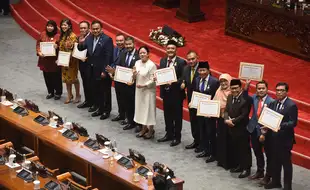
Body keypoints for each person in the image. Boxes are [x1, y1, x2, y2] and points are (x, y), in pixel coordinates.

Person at [264, 82, 298, 190]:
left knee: (286, 164)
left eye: (282, 90)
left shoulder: (291, 105)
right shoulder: (273, 103)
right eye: (277, 90)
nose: (279, 92)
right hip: (273, 138)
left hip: (285, 140)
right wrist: (266, 126)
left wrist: (280, 125)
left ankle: (288, 187)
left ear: (286, 92)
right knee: (275, 161)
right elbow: (269, 118)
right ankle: (276, 182)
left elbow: (293, 122)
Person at [78, 20, 113, 120]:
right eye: (93, 29)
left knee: (105, 91)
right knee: (96, 90)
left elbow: (108, 57)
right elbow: (81, 48)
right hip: (91, 69)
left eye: (97, 29)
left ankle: (106, 111)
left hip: (102, 70)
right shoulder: (89, 38)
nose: (95, 31)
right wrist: (80, 43)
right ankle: (99, 108)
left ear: (101, 29)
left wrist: (104, 71)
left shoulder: (107, 39)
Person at [106, 36, 140, 131]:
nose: (128, 46)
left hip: (134, 84)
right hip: (123, 82)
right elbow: (119, 66)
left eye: (130, 44)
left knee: (134, 103)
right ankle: (130, 121)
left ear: (134, 44)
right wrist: (113, 72)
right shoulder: (123, 53)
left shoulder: (138, 56)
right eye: (127, 44)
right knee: (127, 102)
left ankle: (136, 122)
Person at [157, 40, 186, 147]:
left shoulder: (181, 62)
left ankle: (177, 137)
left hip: (177, 93)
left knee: (177, 116)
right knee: (167, 115)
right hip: (166, 92)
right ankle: (168, 134)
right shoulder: (163, 60)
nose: (170, 50)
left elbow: (183, 77)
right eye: (168, 48)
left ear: (176, 50)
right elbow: (161, 74)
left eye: (172, 48)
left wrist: (174, 81)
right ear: (166, 49)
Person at [245, 80, 274, 184]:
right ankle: (260, 171)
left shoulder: (271, 101)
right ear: (256, 90)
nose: (261, 90)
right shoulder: (254, 97)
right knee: (257, 152)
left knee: (268, 154)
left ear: (267, 89)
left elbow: (271, 120)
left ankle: (268, 176)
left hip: (265, 131)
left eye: (263, 88)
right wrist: (247, 86)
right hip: (253, 129)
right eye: (259, 88)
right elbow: (245, 96)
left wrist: (264, 133)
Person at [191, 61, 219, 162]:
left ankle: (213, 153)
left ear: (208, 70)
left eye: (203, 70)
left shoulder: (214, 81)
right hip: (200, 110)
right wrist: (193, 103)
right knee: (202, 130)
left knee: (210, 131)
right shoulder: (197, 80)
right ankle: (205, 149)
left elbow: (217, 97)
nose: (201, 72)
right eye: (200, 70)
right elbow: (195, 93)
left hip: (210, 111)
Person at [224, 79, 252, 178]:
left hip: (242, 129)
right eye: (232, 88)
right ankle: (240, 165)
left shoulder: (246, 99)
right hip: (231, 128)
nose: (234, 90)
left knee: (244, 149)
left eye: (236, 88)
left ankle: (246, 168)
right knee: (236, 147)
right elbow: (226, 110)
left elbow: (244, 115)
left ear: (240, 88)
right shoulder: (230, 96)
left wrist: (233, 121)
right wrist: (226, 119)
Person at [131, 46, 156, 139]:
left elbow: (153, 79)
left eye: (144, 53)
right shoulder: (137, 63)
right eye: (140, 53)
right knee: (140, 110)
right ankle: (143, 128)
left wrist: (144, 85)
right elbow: (134, 77)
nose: (142, 54)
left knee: (149, 110)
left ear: (148, 54)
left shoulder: (152, 65)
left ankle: (151, 130)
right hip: (139, 90)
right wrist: (133, 74)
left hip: (148, 91)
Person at [36, 20, 62, 100]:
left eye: (51, 26)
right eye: (48, 26)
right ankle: (50, 92)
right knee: (47, 77)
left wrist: (57, 47)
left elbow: (62, 47)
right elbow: (38, 45)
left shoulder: (58, 36)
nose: (49, 28)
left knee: (56, 77)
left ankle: (58, 92)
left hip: (54, 60)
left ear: (54, 27)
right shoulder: (42, 34)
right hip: (45, 60)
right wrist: (39, 52)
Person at [213, 73, 234, 170]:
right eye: (221, 81)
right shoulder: (218, 90)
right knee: (221, 139)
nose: (223, 83)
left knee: (228, 141)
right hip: (220, 119)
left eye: (225, 81)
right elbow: (214, 102)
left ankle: (229, 163)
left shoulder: (232, 92)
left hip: (229, 120)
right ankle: (221, 160)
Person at [58, 19, 81, 104]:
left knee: (74, 78)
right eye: (62, 25)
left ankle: (78, 95)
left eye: (65, 25)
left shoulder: (72, 36)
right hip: (64, 61)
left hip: (72, 62)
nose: (63, 26)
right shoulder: (63, 35)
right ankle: (69, 95)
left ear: (69, 26)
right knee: (66, 79)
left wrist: (67, 58)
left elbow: (74, 50)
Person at [182, 51, 200, 151]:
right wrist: (183, 83)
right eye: (189, 59)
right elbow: (184, 80)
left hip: (200, 100)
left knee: (200, 123)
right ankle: (196, 140)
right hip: (190, 100)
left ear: (197, 58)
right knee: (193, 121)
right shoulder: (186, 69)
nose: (191, 61)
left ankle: (202, 143)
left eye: (193, 59)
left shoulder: (202, 69)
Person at [111, 33, 126, 122]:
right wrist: (111, 70)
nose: (119, 43)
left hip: (124, 77)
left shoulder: (126, 51)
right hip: (116, 77)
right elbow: (113, 61)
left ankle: (127, 116)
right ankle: (121, 114)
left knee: (125, 98)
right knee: (119, 96)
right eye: (117, 41)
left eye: (121, 41)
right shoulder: (115, 49)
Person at [77, 21, 92, 109]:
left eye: (84, 28)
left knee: (91, 84)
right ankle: (87, 101)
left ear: (88, 28)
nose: (82, 30)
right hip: (82, 64)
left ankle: (93, 102)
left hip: (90, 65)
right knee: (85, 83)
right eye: (81, 28)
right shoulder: (79, 37)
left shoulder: (91, 37)